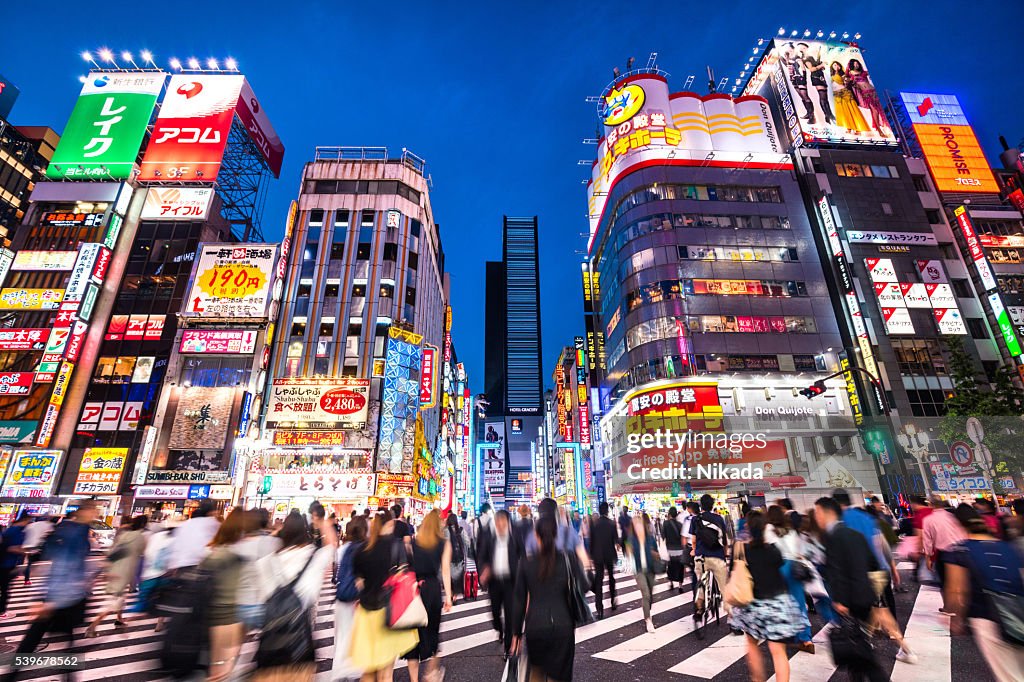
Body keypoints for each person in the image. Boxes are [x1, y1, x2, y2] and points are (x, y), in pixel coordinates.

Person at [4, 502, 100, 681]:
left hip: (64, 595)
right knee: (42, 641)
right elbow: (64, 565)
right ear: (85, 512)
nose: (95, 514)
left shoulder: (70, 530)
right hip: (61, 597)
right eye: (93, 510)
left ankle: (14, 675)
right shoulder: (76, 533)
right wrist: (47, 600)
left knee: (47, 641)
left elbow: (68, 563)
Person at [253, 510, 337, 682]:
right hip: (300, 641)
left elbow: (258, 599)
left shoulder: (266, 562)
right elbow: (332, 544)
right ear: (305, 531)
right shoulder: (313, 556)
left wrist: (275, 535)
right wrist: (321, 520)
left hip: (269, 641)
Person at [730, 511, 810, 682]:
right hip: (777, 603)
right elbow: (780, 567)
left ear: (748, 528)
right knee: (778, 651)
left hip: (752, 605)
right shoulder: (773, 550)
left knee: (752, 644)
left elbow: (733, 572)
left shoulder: (742, 549)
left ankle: (757, 679)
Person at [815, 496, 886, 682]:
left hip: (849, 600)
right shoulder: (856, 534)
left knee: (861, 650)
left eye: (817, 513)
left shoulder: (833, 537)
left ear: (824, 513)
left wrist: (840, 600)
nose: (816, 517)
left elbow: (836, 571)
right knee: (856, 645)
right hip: (865, 596)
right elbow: (872, 564)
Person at [510, 515, 589, 682]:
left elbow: (519, 600)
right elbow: (585, 586)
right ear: (555, 535)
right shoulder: (568, 559)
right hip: (563, 624)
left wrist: (516, 633)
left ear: (536, 536)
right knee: (559, 675)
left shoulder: (526, 563)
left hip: (536, 625)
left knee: (536, 672)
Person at [946, 514, 1024, 682]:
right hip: (1020, 609)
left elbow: (956, 589)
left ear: (962, 528)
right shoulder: (1011, 547)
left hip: (987, 616)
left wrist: (956, 617)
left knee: (1008, 674)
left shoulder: (960, 550)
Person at [349, 510, 418, 682]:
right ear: (391, 524)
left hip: (366, 614)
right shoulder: (396, 546)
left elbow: (359, 583)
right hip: (389, 612)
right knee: (386, 673)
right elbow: (404, 577)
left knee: (369, 669)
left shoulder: (362, 550)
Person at [401, 510, 453, 682]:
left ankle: (414, 679)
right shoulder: (444, 543)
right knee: (432, 631)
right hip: (432, 589)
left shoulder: (414, 542)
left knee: (413, 635)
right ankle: (431, 672)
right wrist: (449, 596)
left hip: (415, 589)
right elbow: (445, 571)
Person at [85, 515, 147, 638]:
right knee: (113, 602)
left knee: (119, 597)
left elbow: (112, 551)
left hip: (115, 570)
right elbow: (142, 552)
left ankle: (119, 619)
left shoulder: (124, 535)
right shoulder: (140, 538)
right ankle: (91, 627)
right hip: (124, 571)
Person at [764, 505, 813, 652]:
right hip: (794, 567)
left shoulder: (768, 529)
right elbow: (800, 551)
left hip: (778, 568)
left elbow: (766, 550)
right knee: (799, 602)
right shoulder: (791, 530)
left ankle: (782, 634)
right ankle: (806, 639)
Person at [477, 509, 521, 656]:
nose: (500, 526)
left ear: (508, 523)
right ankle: (499, 628)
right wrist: (484, 569)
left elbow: (523, 556)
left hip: (510, 581)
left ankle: (508, 647)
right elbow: (481, 556)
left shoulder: (515, 537)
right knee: (495, 611)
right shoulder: (490, 537)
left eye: (503, 523)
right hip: (494, 582)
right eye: (498, 523)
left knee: (510, 614)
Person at [333, 515, 367, 681]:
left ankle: (339, 672)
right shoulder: (365, 548)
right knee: (357, 636)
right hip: (358, 600)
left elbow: (337, 573)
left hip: (341, 598)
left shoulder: (342, 549)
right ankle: (354, 672)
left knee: (341, 637)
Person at [922, 495, 967, 610]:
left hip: (945, 553)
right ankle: (962, 605)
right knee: (961, 581)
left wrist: (928, 558)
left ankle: (948, 606)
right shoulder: (952, 516)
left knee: (945, 581)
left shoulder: (928, 520)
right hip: (962, 550)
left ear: (930, 505)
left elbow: (928, 541)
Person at [690, 493, 731, 619]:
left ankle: (699, 610)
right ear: (712, 505)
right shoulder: (719, 519)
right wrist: (725, 553)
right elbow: (724, 539)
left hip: (701, 557)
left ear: (701, 505)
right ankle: (732, 620)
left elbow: (694, 540)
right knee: (725, 588)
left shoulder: (695, 519)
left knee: (701, 582)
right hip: (717, 556)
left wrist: (693, 551)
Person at [167, 499, 221, 571]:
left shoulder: (185, 524)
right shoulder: (213, 522)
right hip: (199, 566)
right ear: (211, 512)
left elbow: (174, 547)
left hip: (180, 567)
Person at [629, 513, 659, 632]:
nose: (638, 527)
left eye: (639, 525)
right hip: (639, 570)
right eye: (635, 525)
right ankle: (648, 619)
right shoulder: (631, 540)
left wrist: (655, 554)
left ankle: (648, 610)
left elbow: (657, 552)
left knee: (650, 595)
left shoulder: (650, 538)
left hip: (651, 569)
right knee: (645, 594)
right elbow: (627, 550)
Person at [588, 502, 619, 619]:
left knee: (599, 582)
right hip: (609, 555)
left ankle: (599, 609)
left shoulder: (594, 525)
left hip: (598, 556)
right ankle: (612, 601)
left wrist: (591, 557)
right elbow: (616, 540)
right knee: (611, 578)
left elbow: (591, 542)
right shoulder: (611, 524)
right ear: (607, 511)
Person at [845, 59, 889, 135]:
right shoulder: (850, 73)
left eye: (857, 63)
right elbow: (846, 76)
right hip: (865, 93)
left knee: (880, 110)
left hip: (873, 91)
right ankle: (879, 130)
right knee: (874, 110)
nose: (856, 65)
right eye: (854, 64)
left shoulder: (863, 72)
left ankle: (885, 128)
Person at [0, 513, 29, 618]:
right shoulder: (16, 531)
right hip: (6, 565)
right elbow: (12, 548)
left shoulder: (8, 530)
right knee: (4, 590)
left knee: (4, 589)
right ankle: (2, 612)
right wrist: (24, 551)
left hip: (4, 563)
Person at [828, 62, 870, 134]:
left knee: (852, 110)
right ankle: (849, 127)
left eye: (838, 65)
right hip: (837, 96)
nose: (836, 66)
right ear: (832, 67)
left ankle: (858, 129)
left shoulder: (843, 74)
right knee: (844, 112)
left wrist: (839, 73)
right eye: (834, 65)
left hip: (845, 94)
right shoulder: (831, 76)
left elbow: (843, 82)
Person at [21, 515, 53, 585]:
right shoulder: (48, 525)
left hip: (28, 545)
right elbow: (50, 534)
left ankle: (26, 578)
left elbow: (24, 533)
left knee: (30, 562)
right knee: (36, 561)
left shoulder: (30, 525)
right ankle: (26, 574)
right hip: (38, 546)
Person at [445, 512, 469, 598]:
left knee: (450, 575)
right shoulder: (461, 530)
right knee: (459, 575)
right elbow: (467, 542)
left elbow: (444, 543)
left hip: (449, 557)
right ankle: (457, 593)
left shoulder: (445, 530)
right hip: (460, 557)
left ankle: (452, 593)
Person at [662, 507, 685, 592]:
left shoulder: (666, 523)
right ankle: (680, 585)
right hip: (680, 550)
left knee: (670, 567)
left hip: (670, 549)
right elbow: (683, 537)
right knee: (680, 567)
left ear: (669, 514)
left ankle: (671, 583)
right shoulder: (680, 524)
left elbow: (662, 536)